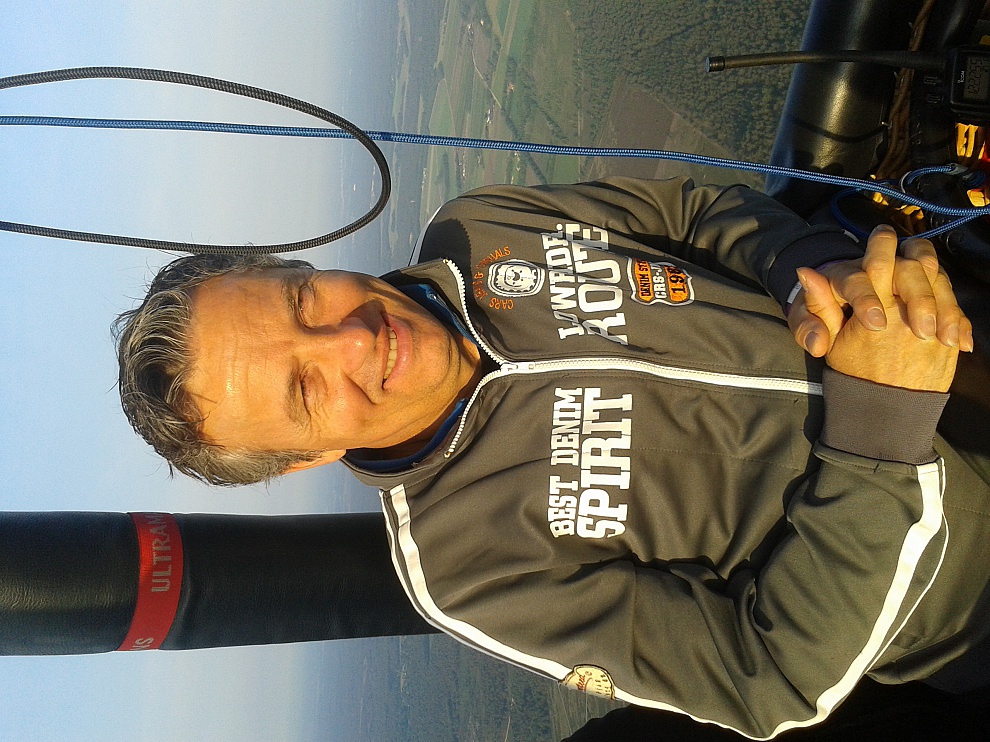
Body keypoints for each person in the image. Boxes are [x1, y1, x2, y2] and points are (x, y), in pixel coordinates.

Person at [115, 176, 990, 739]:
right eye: (306, 391)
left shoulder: (479, 228)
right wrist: (881, 431)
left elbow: (693, 214)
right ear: (307, 460)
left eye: (305, 299)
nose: (351, 340)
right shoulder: (465, 567)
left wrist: (813, 266)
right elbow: (770, 682)